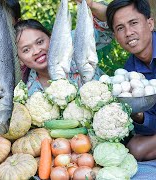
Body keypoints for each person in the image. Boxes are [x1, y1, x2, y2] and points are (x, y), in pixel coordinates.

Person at [15, 0, 113, 96]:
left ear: (51, 38)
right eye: (26, 50)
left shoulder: (71, 42)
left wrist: (91, 4)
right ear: (20, 60)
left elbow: (109, 26)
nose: (37, 51)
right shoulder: (29, 94)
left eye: (40, 42)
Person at [106, 0, 156, 162]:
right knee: (134, 149)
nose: (128, 32)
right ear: (116, 36)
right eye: (120, 28)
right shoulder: (128, 72)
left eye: (133, 23)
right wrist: (138, 113)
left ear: (150, 23)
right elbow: (152, 123)